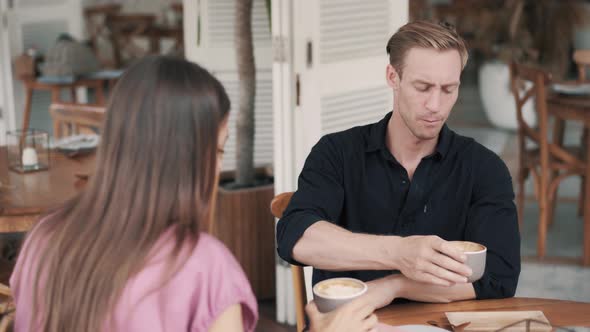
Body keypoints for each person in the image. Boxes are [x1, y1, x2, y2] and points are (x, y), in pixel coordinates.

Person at [10, 56, 378, 332]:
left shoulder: (45, 238)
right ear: (188, 158)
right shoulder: (201, 266)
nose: (217, 169)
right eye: (218, 152)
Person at [276, 20, 521, 308]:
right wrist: (398, 252)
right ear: (393, 77)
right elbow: (295, 237)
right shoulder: (337, 152)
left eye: (448, 89)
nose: (435, 105)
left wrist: (395, 285)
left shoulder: (484, 168)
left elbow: (499, 275)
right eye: (423, 87)